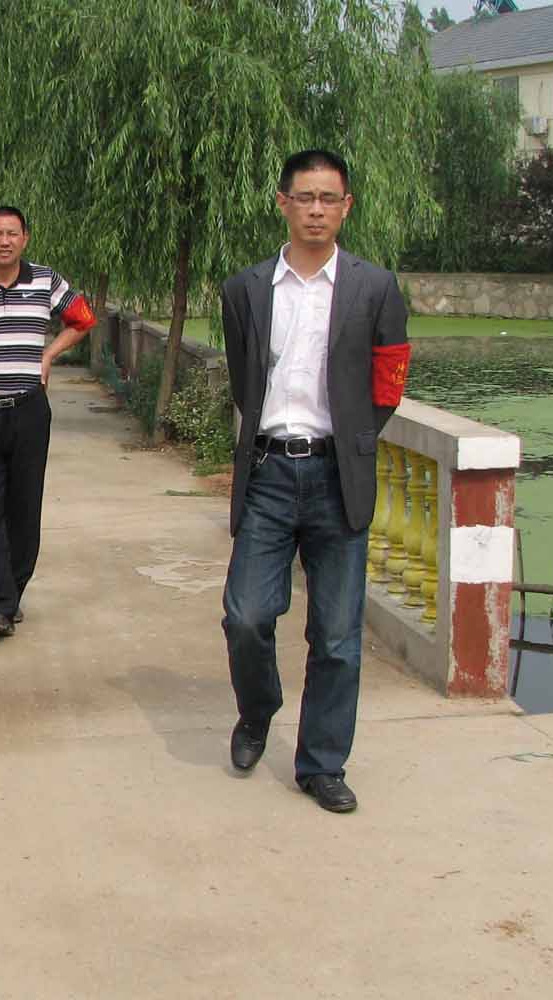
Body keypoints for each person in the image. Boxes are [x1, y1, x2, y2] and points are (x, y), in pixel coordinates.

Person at [219, 149, 410, 814]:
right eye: (305, 197)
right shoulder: (245, 289)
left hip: (337, 476)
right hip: (268, 473)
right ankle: (257, 710)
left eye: (330, 198)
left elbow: (389, 381)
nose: (317, 210)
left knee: (336, 635)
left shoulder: (374, 287)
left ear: (346, 206)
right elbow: (243, 379)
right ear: (283, 203)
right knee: (246, 616)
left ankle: (322, 763)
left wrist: (351, 442)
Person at [0, 206, 98, 637]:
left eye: (13, 233)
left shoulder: (45, 281)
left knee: (24, 509)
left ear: (25, 238)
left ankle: (11, 591)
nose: (5, 241)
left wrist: (48, 354)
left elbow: (83, 319)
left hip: (29, 412)